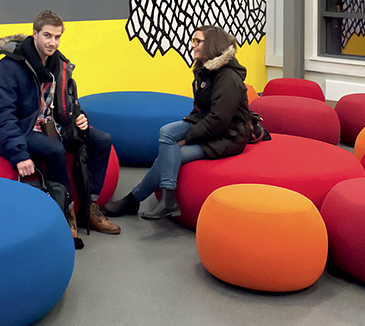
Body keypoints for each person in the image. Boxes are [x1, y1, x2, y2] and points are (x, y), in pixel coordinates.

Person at [0, 9, 120, 242]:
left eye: (57, 37)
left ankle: (90, 207)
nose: (53, 42)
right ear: (35, 34)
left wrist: (79, 117)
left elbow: (69, 103)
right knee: (55, 150)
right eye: (47, 36)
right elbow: (3, 117)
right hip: (24, 128)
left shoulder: (59, 64)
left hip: (54, 126)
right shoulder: (9, 67)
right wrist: (19, 154)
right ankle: (65, 214)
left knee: (102, 140)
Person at [103, 25, 254, 221]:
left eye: (198, 41)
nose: (193, 45)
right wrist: (187, 130)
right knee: (167, 131)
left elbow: (219, 120)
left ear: (212, 44)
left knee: (171, 157)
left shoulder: (228, 78)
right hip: (208, 125)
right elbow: (202, 110)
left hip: (227, 136)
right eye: (193, 41)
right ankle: (165, 200)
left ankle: (137, 199)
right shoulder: (205, 70)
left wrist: (188, 138)